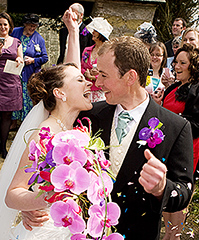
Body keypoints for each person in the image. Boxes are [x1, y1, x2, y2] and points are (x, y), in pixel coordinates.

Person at [22, 12, 194, 240]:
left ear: (130, 77)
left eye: (104, 75)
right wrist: (32, 206)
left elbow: (184, 191)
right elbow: (55, 167)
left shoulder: (176, 127)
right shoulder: (89, 116)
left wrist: (162, 187)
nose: (97, 83)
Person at [0, 9, 92, 239]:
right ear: (60, 93)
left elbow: (70, 73)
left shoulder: (69, 125)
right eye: (81, 80)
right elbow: (12, 194)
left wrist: (73, 32)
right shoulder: (46, 132)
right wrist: (41, 200)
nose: (87, 82)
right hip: (47, 228)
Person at [152, 43, 199, 239]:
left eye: (183, 63)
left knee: (178, 194)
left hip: (187, 149)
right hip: (167, 147)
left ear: (193, 66)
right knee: (166, 192)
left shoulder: (197, 90)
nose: (177, 66)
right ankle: (168, 234)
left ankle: (173, 235)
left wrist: (170, 121)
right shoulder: (174, 87)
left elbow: (196, 123)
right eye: (176, 62)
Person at [11, 13, 48, 123]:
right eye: (30, 25)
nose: (32, 28)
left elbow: (45, 57)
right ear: (25, 24)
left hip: (29, 74)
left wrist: (33, 61)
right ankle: (13, 122)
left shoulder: (39, 39)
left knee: (26, 98)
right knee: (14, 96)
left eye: (34, 26)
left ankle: (24, 122)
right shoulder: (15, 32)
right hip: (14, 72)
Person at [0, 12, 23, 159]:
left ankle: (3, 146)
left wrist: (20, 60)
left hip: (10, 81)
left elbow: (19, 56)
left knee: (7, 115)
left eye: (5, 24)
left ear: (10, 26)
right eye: (0, 25)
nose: (2, 27)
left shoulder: (16, 41)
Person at [81, 17, 113, 102]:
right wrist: (86, 73)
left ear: (101, 34)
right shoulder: (87, 50)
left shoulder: (108, 52)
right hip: (86, 90)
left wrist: (94, 76)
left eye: (96, 31)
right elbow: (81, 66)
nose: (93, 33)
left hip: (100, 91)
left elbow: (111, 72)